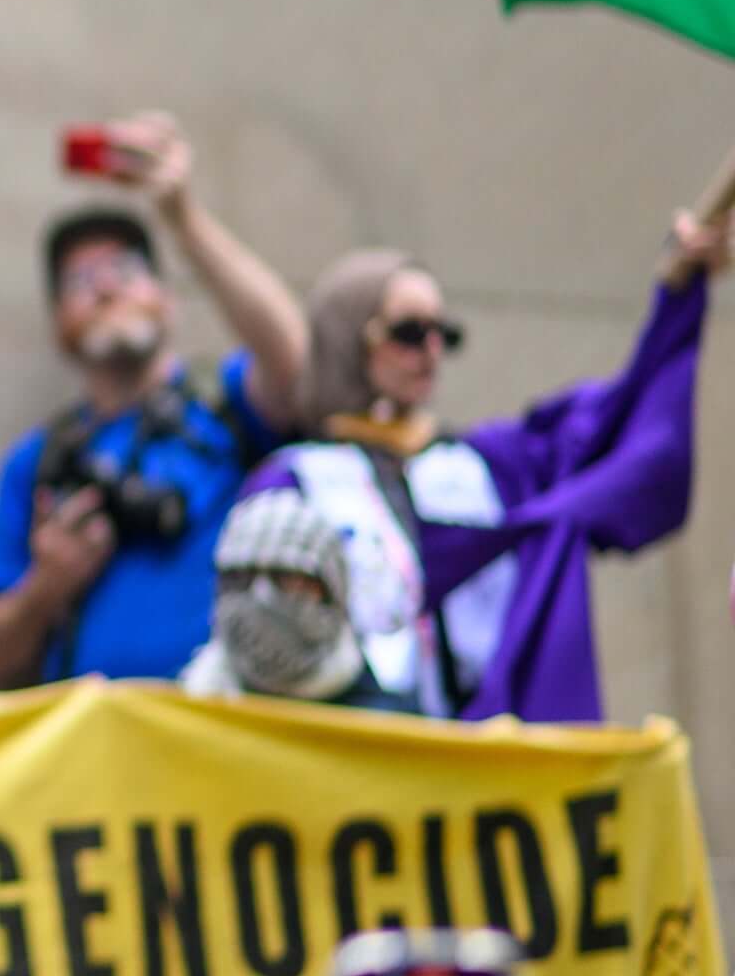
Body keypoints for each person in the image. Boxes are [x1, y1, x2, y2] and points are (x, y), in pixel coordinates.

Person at [241, 209, 729, 721]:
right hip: (367, 759)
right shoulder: (294, 482)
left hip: (494, 754)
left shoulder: (489, 465)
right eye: (408, 332)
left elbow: (620, 423)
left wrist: (678, 297)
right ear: (347, 340)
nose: (430, 351)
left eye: (442, 333)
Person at [0, 113, 306, 689]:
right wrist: (48, 587)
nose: (105, 287)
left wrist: (181, 215)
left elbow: (295, 358)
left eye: (125, 270)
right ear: (59, 327)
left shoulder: (226, 402)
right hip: (95, 746)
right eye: (80, 282)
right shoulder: (37, 461)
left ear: (168, 300)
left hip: (227, 725)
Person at [181, 491, 411, 711]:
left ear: (331, 590)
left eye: (284, 578)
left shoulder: (389, 732)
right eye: (239, 578)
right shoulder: (181, 717)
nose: (260, 595)